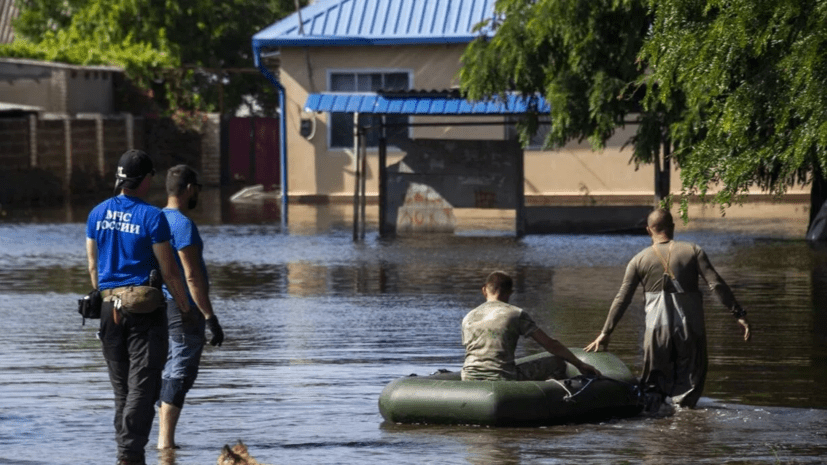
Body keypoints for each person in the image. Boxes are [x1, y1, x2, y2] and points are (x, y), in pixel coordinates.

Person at [585, 208, 752, 410]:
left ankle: (657, 428)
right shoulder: (693, 251)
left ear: (648, 230)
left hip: (656, 332)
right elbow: (715, 284)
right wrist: (738, 314)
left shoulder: (639, 260)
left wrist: (605, 332)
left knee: (652, 390)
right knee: (689, 386)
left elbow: (622, 298)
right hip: (689, 329)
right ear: (673, 227)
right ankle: (684, 424)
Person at [86, 149, 192, 465]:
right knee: (143, 389)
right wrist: (185, 308)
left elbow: (93, 265)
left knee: (123, 390)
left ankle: (126, 452)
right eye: (150, 177)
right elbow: (170, 270)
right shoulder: (152, 216)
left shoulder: (97, 213)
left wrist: (103, 294)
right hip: (143, 314)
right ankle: (130, 456)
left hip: (109, 310)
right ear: (145, 180)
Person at [157, 165, 224, 450]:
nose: (197, 193)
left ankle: (163, 443)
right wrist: (210, 317)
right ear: (188, 189)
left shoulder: (155, 218)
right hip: (183, 308)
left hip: (161, 307)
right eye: (197, 188)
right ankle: (165, 443)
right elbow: (192, 276)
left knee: (169, 369)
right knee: (180, 372)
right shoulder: (182, 224)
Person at [462, 271, 600, 381]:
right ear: (510, 292)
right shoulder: (515, 314)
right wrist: (579, 364)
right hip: (503, 377)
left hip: (468, 377)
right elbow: (550, 345)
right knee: (558, 362)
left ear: (484, 290)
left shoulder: (468, 317)